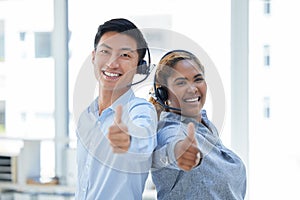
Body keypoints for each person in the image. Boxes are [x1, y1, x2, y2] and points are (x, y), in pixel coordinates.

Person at [75, 18, 157, 200]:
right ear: (94, 56)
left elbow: (144, 144)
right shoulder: (86, 117)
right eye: (105, 51)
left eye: (125, 55)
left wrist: (128, 140)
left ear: (139, 67)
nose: (112, 63)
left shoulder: (141, 110)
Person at [150, 50, 247, 199]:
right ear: (164, 93)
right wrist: (178, 152)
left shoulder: (206, 127)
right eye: (181, 82)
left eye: (197, 79)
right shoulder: (171, 129)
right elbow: (171, 146)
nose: (192, 88)